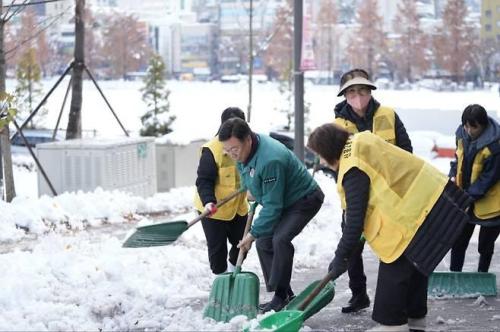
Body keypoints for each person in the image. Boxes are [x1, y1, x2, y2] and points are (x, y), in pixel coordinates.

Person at [307, 124, 471, 331]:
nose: (321, 161)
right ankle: (415, 322)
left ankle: (391, 325)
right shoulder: (361, 142)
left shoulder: (351, 169)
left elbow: (355, 221)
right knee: (414, 269)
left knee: (394, 271)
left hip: (414, 215)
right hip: (436, 200)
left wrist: (341, 257)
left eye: (320, 155)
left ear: (329, 149)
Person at [218, 118, 324, 313]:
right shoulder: (244, 152)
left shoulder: (270, 159)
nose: (231, 154)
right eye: (227, 150)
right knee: (264, 242)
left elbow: (273, 207)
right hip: (283, 199)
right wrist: (252, 190)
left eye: (234, 150)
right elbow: (250, 175)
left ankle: (280, 296)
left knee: (280, 239)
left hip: (304, 199)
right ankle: (284, 293)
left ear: (248, 140)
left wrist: (251, 234)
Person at [333, 68, 413, 313]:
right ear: (345, 96)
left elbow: (407, 152)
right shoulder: (338, 126)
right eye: (352, 92)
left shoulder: (388, 115)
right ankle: (359, 294)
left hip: (390, 196)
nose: (358, 96)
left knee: (394, 246)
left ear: (370, 91)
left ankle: (397, 296)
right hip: (357, 197)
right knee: (353, 248)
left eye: (362, 90)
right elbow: (335, 163)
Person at [193, 107, 249, 274]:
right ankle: (220, 280)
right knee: (217, 250)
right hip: (213, 208)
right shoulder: (212, 149)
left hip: (238, 206)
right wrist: (208, 201)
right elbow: (204, 180)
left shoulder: (248, 144)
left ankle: (232, 270)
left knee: (243, 243)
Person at [449, 104, 500, 272]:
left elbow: (489, 178)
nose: (469, 130)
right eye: (466, 125)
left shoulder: (495, 145)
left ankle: (482, 276)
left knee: (485, 245)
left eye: (474, 126)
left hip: (491, 203)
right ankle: (455, 274)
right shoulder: (461, 135)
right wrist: (452, 173)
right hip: (466, 200)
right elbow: (458, 159)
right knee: (458, 241)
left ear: (483, 125)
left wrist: (466, 196)